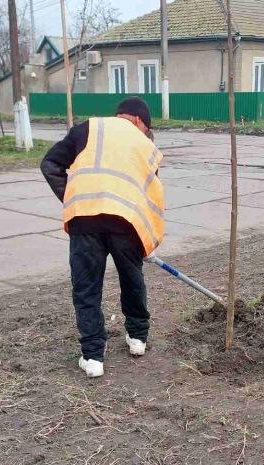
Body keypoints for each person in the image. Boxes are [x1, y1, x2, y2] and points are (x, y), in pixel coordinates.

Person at [41, 98, 165, 378]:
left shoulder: (87, 129)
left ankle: (93, 357)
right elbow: (153, 196)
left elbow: (49, 163)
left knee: (86, 288)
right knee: (132, 280)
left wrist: (73, 199)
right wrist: (148, 239)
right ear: (137, 120)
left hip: (85, 220)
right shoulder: (147, 146)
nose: (146, 133)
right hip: (128, 223)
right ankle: (138, 339)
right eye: (147, 128)